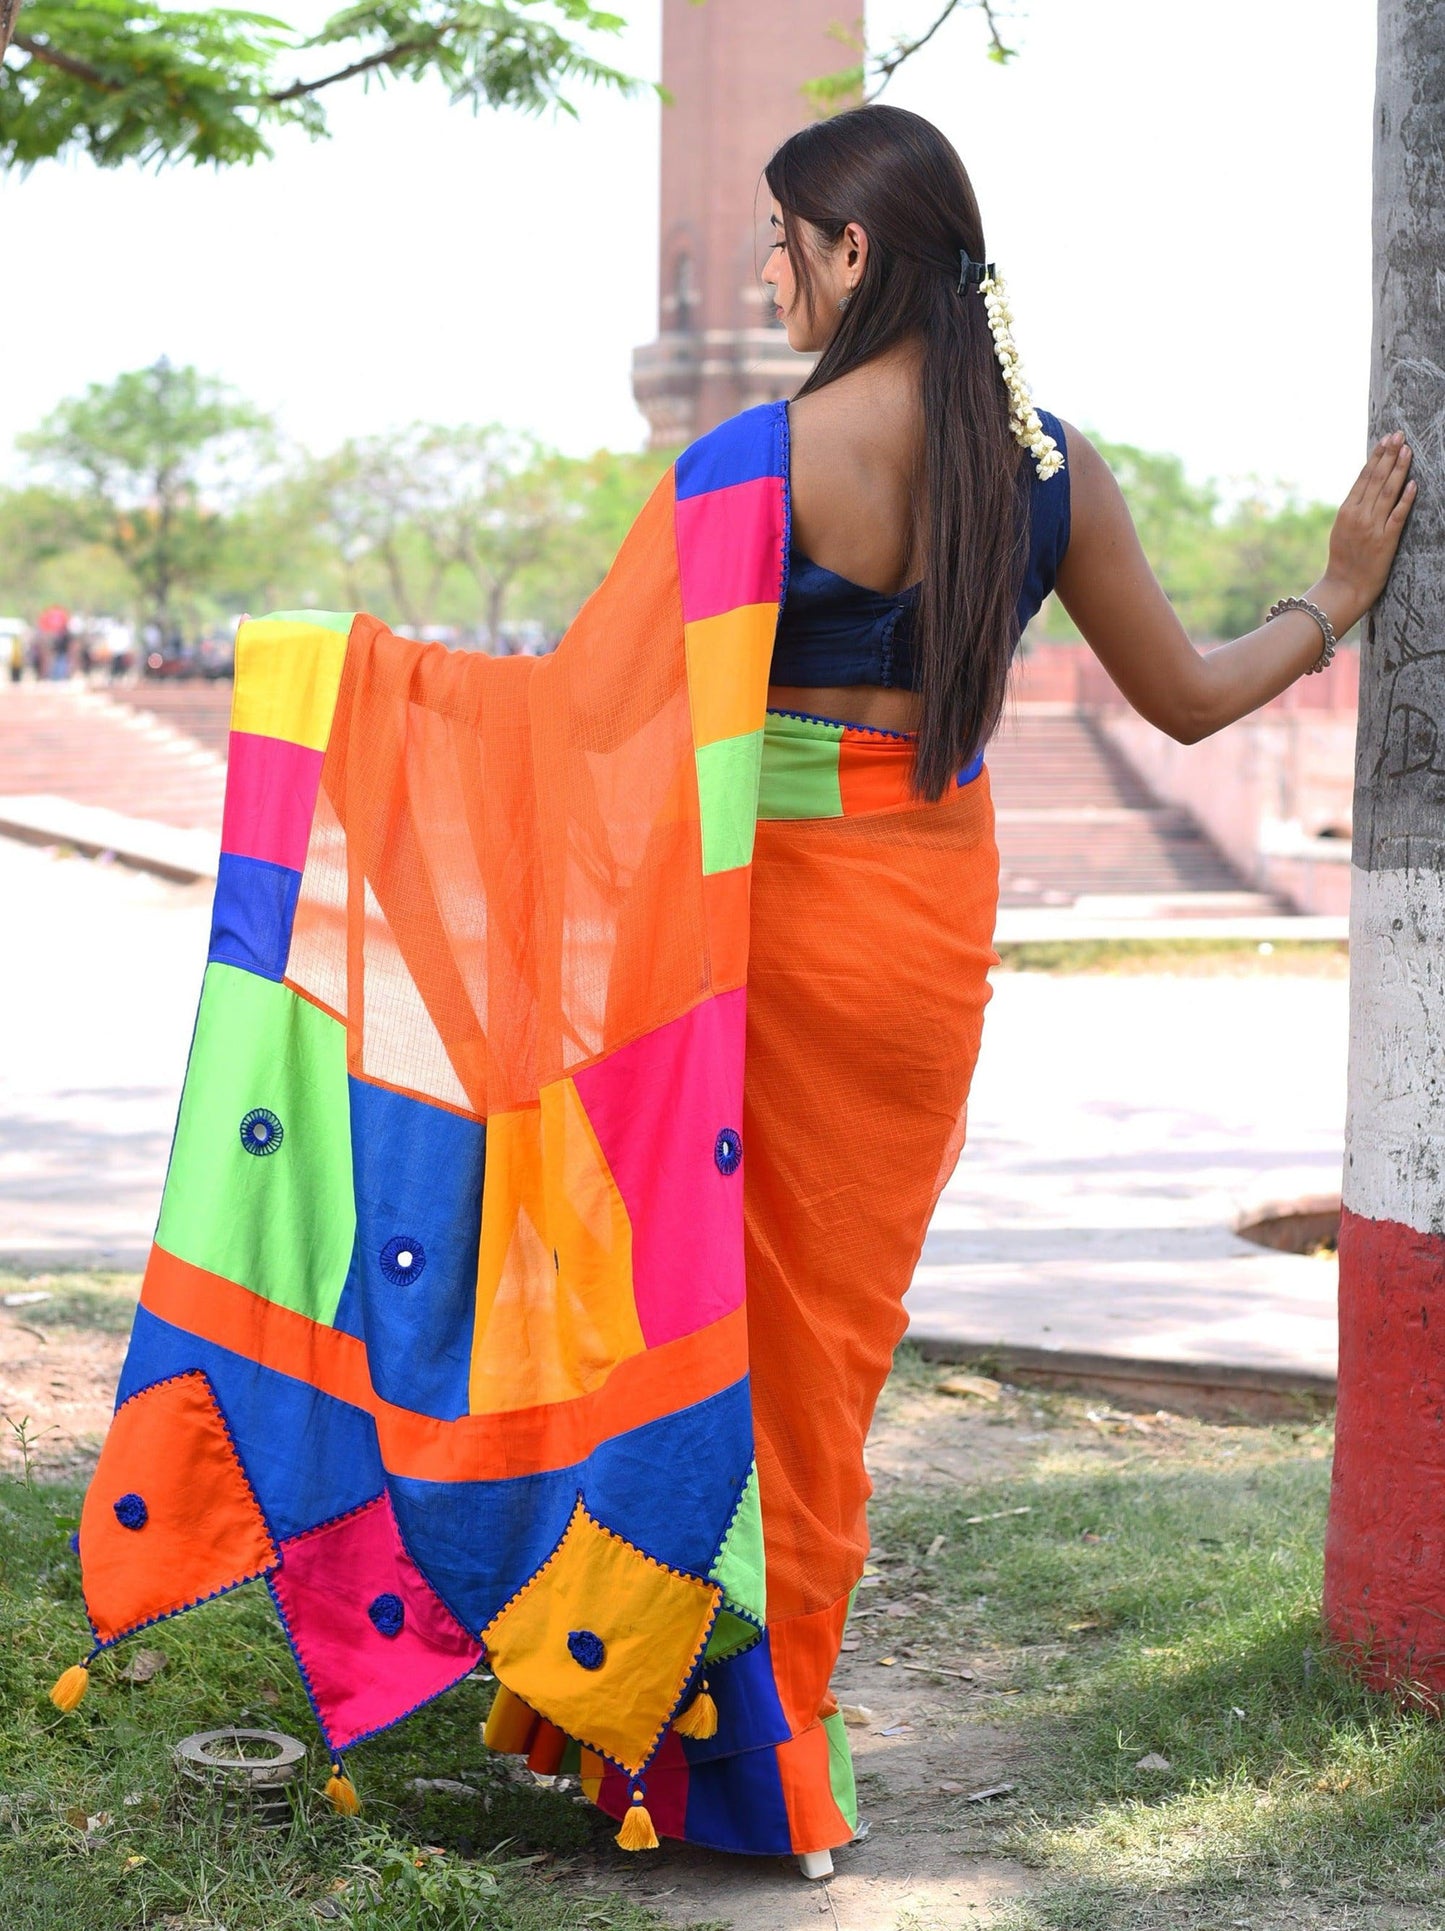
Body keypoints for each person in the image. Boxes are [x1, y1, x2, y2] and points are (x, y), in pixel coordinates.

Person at [693, 102, 1411, 1876]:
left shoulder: (752, 463)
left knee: (725, 1333)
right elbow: (1180, 694)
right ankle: (775, 1718)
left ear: (855, 253)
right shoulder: (1048, 463)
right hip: (923, 935)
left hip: (768, 942)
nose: (764, 267)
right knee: (830, 1353)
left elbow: (614, 736)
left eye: (783, 236)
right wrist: (1332, 597)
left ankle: (712, 1734)